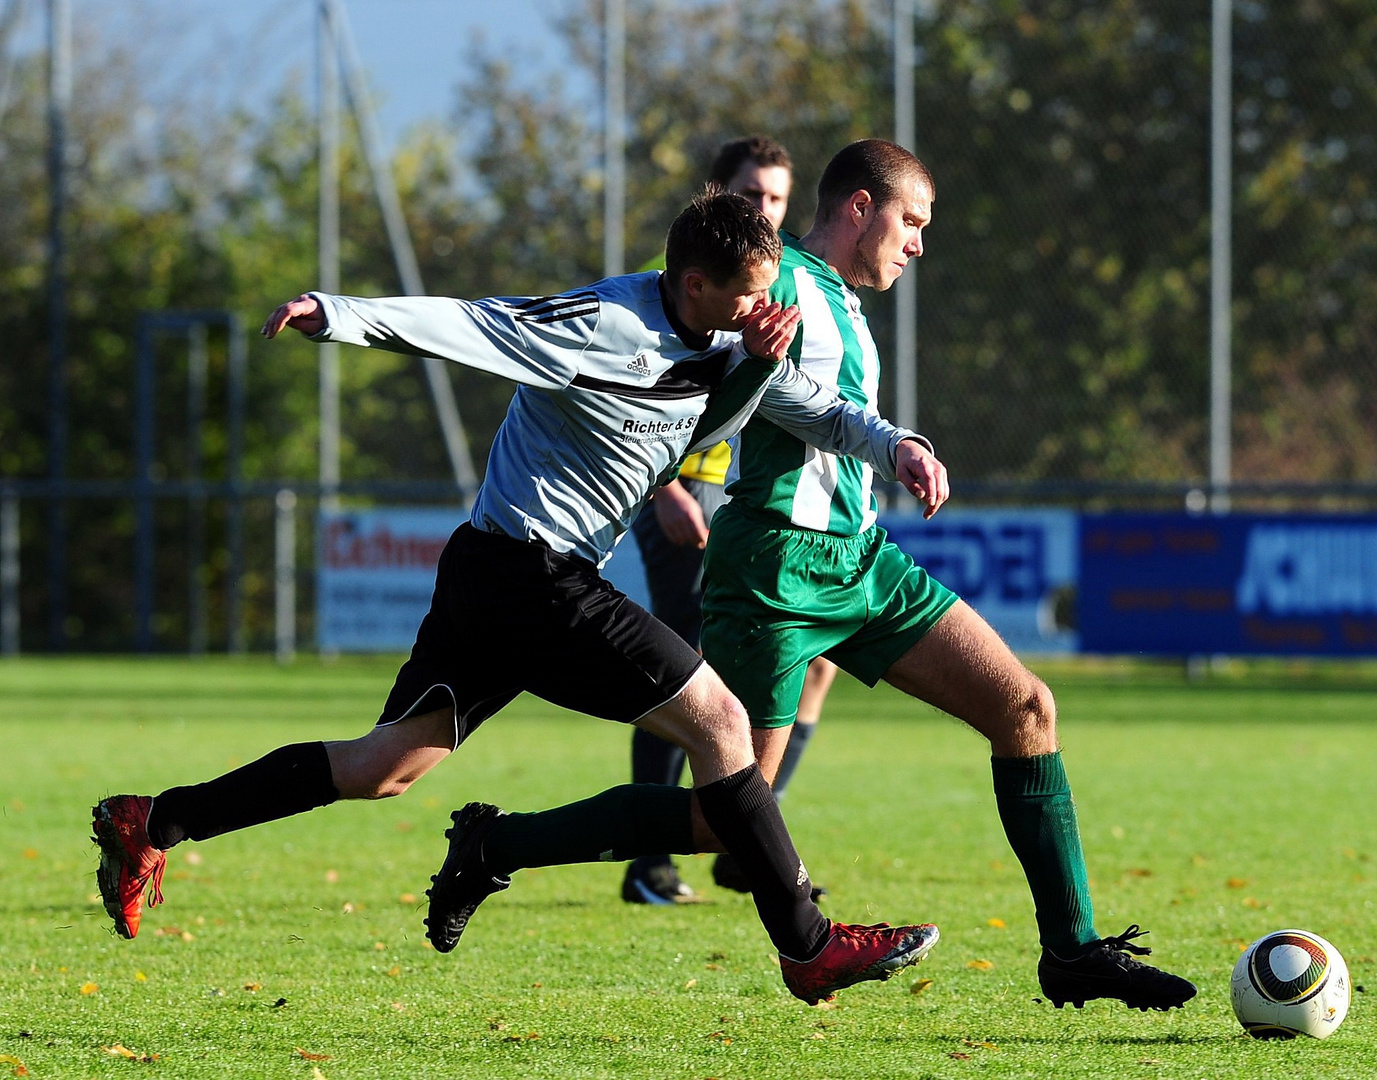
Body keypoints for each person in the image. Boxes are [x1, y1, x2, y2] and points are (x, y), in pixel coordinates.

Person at [90, 188, 951, 1006]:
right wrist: (339, 314)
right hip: (533, 577)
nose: (771, 313)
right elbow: (468, 323)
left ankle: (153, 822)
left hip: (496, 571)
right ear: (695, 285)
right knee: (723, 725)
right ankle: (807, 944)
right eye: (753, 297)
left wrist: (898, 444)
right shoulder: (603, 322)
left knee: (381, 768)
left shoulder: (737, 341)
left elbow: (823, 412)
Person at [698, 140, 1199, 1011]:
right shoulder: (775, 283)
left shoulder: (844, 305)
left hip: (860, 562)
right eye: (913, 220)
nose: (919, 243)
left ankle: (1072, 951)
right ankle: (499, 844)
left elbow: (833, 412)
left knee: (1026, 706)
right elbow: (692, 374)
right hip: (777, 566)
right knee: (721, 818)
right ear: (860, 206)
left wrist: (898, 446)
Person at [623, 135, 839, 905]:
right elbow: (635, 400)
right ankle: (648, 862)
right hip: (676, 490)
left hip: (741, 500)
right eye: (751, 195)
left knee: (814, 663)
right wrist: (664, 491)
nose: (764, 210)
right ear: (717, 193)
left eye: (776, 199)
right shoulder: (690, 282)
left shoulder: (778, 288)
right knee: (680, 670)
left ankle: (743, 839)